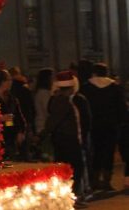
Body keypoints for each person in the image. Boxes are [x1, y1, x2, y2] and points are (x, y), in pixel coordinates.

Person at [80, 62, 126, 191]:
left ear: (94, 72)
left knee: (95, 151)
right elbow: (121, 107)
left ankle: (94, 180)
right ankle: (106, 180)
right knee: (108, 152)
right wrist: (122, 121)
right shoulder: (115, 87)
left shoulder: (86, 88)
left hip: (93, 125)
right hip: (111, 125)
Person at [43, 70, 88, 199]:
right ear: (71, 87)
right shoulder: (63, 101)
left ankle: (69, 195)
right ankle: (70, 195)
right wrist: (42, 134)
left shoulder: (61, 100)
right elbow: (53, 121)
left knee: (70, 168)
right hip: (67, 140)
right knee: (74, 168)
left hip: (65, 139)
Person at [9, 66, 35, 159]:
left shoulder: (9, 91)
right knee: (25, 148)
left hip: (12, 122)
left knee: (13, 148)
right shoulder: (24, 88)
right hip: (25, 121)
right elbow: (31, 107)